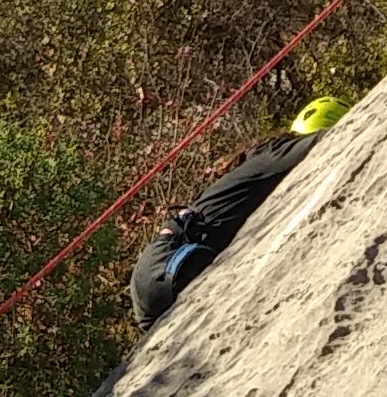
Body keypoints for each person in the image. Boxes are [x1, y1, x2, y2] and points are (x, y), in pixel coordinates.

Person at [130, 91, 350, 329]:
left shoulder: (256, 161)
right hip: (174, 260)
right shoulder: (277, 152)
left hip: (152, 270)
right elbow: (333, 136)